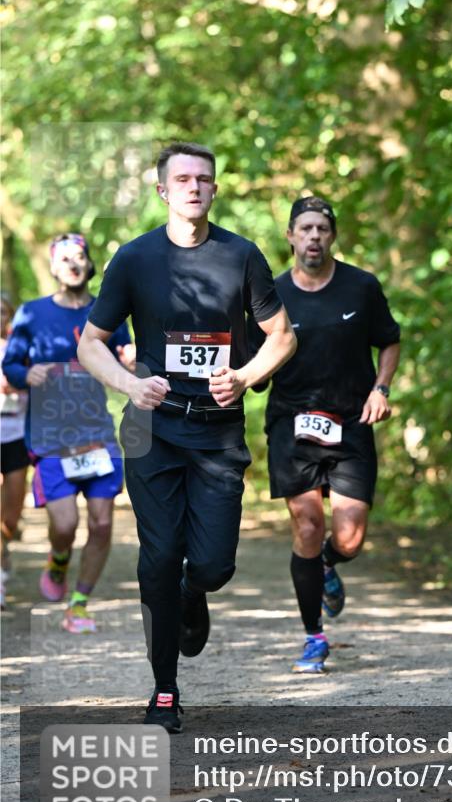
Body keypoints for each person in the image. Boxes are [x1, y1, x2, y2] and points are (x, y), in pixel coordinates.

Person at [77, 141, 296, 732]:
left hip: (218, 434)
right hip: (153, 430)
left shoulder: (241, 256)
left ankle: (193, 590)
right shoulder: (134, 259)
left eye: (204, 179)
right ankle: (165, 690)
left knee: (213, 566)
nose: (194, 187)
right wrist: (128, 383)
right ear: (163, 191)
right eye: (182, 178)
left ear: (215, 190)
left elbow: (282, 336)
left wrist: (246, 376)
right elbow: (90, 342)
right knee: (158, 557)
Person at [254, 196, 400, 673]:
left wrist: (381, 388)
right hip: (292, 422)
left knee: (350, 537)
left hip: (352, 419)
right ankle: (314, 638)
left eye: (322, 228)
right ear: (291, 237)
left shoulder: (361, 287)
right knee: (308, 527)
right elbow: (257, 358)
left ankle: (328, 565)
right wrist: (247, 376)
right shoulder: (270, 295)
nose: (314, 237)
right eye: (305, 229)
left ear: (332, 236)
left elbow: (390, 340)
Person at [2, 235, 134, 633]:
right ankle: (59, 561)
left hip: (97, 436)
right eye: (64, 259)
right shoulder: (31, 314)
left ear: (89, 265)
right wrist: (29, 373)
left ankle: (79, 604)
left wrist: (127, 362)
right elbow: (10, 367)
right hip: (50, 437)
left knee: (101, 523)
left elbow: (126, 359)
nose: (73, 264)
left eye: (79, 257)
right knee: (64, 526)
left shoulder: (108, 311)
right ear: (55, 268)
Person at [0, 293, 30, 609]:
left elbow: (37, 385)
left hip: (17, 435)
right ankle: (0, 581)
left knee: (9, 518)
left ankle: (4, 550)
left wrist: (20, 383)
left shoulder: (20, 350)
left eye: (3, 312)